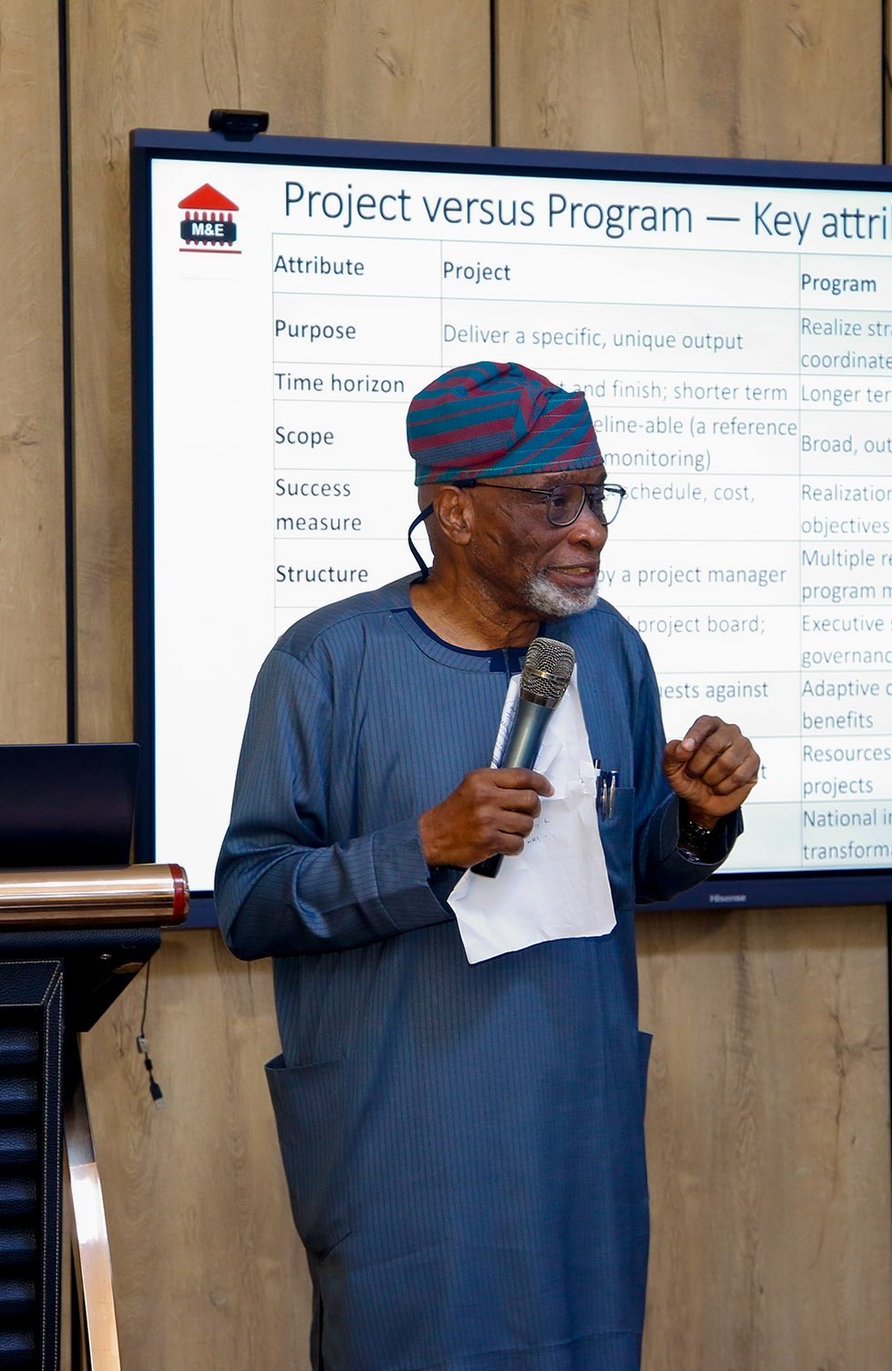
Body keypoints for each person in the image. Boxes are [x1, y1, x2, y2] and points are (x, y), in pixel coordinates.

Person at [217, 360, 760, 1370]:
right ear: (454, 512)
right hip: (407, 1154)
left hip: (574, 1143)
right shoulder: (325, 664)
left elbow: (625, 867)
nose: (590, 527)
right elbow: (249, 900)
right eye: (554, 500)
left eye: (598, 496)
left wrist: (696, 823)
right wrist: (422, 846)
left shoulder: (610, 651)